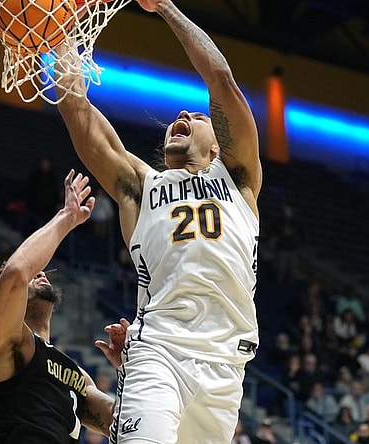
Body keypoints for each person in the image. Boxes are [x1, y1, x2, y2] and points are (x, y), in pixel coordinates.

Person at [56, 0, 261, 441]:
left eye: (196, 117)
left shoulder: (238, 179)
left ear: (216, 149)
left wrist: (166, 7)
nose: (182, 117)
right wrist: (59, 42)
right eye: (177, 118)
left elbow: (221, 81)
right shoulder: (141, 187)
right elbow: (79, 115)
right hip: (158, 351)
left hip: (227, 368)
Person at [0, 170, 114, 442]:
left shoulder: (77, 376)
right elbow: (16, 272)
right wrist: (66, 218)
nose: (42, 272)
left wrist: (130, 369)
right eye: (34, 276)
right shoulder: (4, 342)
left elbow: (120, 421)